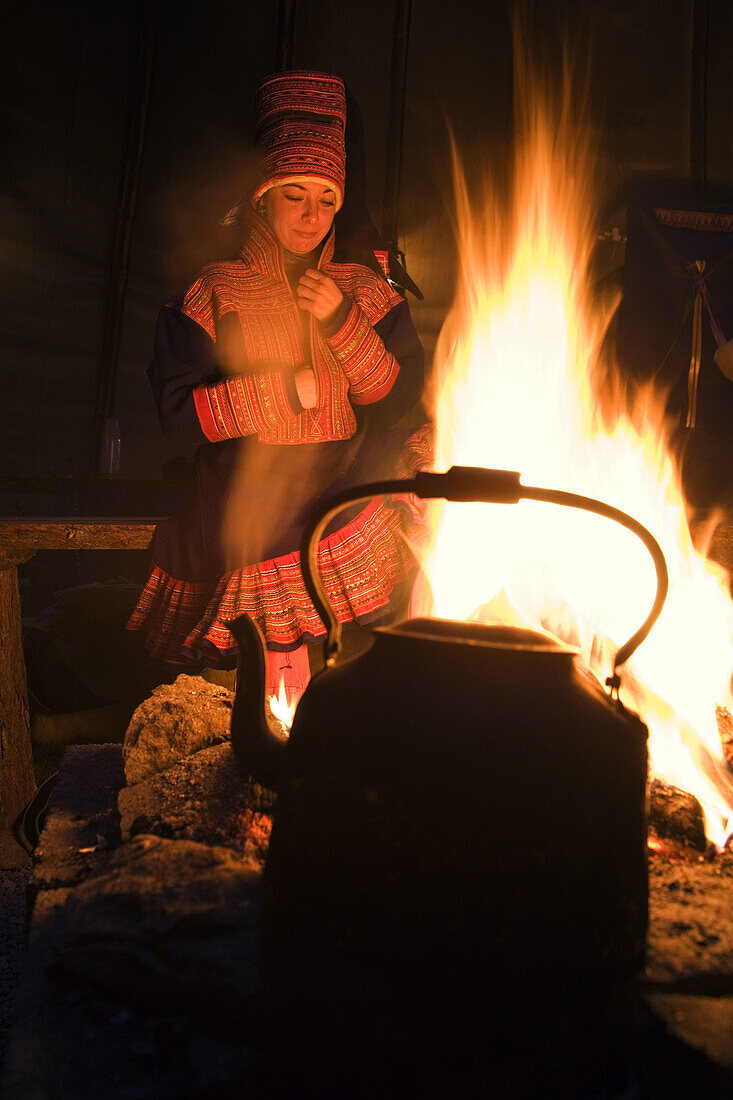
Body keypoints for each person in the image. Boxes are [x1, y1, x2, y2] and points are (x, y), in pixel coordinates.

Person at [127, 70, 431, 697]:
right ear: (262, 196)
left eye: (327, 201)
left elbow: (400, 401)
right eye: (295, 196)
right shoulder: (214, 291)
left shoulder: (367, 289)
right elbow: (177, 418)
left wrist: (342, 323)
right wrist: (277, 397)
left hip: (341, 481)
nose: (311, 216)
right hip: (250, 490)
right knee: (262, 597)